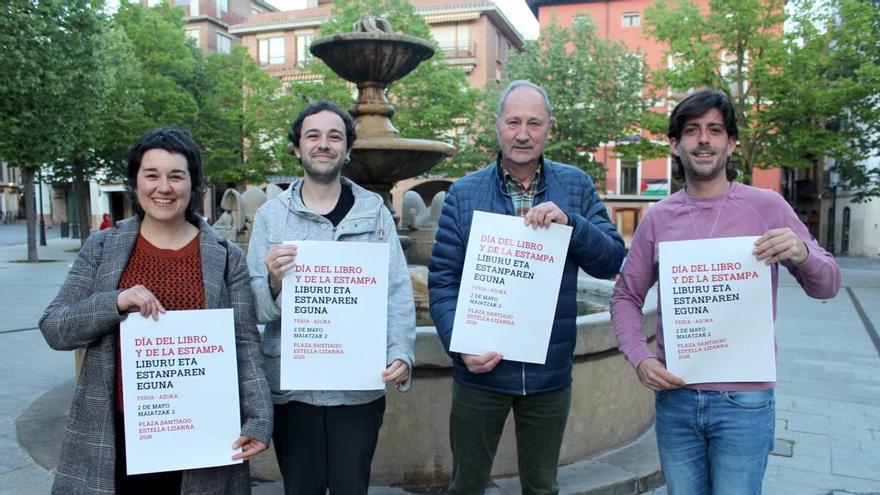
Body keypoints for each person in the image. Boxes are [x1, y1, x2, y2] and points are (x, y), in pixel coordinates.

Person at [610, 89, 841, 494]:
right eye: (692, 130)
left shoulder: (767, 206)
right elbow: (626, 296)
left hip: (745, 404)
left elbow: (828, 284)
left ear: (731, 143)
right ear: (675, 144)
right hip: (677, 397)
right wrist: (640, 358)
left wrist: (802, 252)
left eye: (715, 130)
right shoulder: (659, 217)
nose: (704, 139)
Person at [39, 127, 273, 494]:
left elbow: (245, 344)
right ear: (135, 182)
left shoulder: (226, 258)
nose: (163, 187)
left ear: (192, 184)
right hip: (115, 433)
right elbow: (54, 327)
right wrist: (114, 302)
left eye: (176, 176)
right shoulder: (102, 248)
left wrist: (259, 419)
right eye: (152, 175)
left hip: (200, 433)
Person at [428, 80, 626, 493]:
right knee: (466, 485)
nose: (523, 134)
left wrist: (572, 223)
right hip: (482, 373)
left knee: (541, 487)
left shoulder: (575, 186)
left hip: (548, 376)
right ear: (497, 126)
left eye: (534, 123)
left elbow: (611, 258)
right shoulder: (463, 195)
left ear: (549, 128)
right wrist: (459, 345)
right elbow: (444, 282)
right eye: (514, 121)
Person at [247, 100, 415, 495]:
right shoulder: (271, 217)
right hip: (293, 389)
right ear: (297, 147)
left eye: (334, 136)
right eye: (313, 136)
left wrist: (401, 353)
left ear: (347, 149)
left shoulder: (374, 212)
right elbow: (250, 306)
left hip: (357, 387)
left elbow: (395, 291)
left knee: (350, 488)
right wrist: (273, 282)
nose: (324, 144)